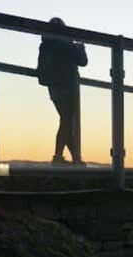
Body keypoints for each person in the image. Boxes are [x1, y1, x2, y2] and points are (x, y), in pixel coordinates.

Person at [37, 17, 87, 166]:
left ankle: (74, 158)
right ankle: (59, 156)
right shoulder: (66, 44)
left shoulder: (45, 44)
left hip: (54, 87)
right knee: (66, 121)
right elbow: (83, 61)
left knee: (66, 121)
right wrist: (80, 48)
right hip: (68, 86)